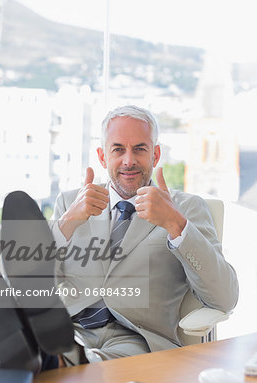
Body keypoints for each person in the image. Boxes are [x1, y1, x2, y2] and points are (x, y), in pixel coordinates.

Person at [51, 105, 238, 365]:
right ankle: (58, 358)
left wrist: (176, 224)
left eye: (139, 148)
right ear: (103, 157)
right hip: (72, 330)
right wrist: (67, 223)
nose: (129, 160)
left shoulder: (187, 208)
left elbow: (225, 298)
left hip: (138, 341)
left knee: (71, 364)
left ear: (155, 154)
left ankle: (63, 362)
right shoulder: (71, 203)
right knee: (45, 347)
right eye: (118, 149)